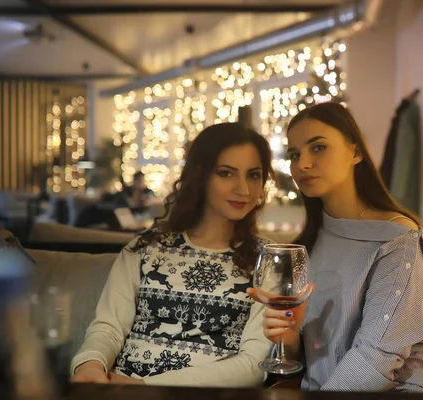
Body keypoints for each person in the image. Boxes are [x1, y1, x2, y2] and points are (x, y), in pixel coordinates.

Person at [248, 102, 423, 392]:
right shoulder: (312, 240)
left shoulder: (395, 237)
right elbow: (311, 355)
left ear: (355, 152)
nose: (302, 164)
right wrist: (291, 340)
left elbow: (379, 356)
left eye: (318, 147)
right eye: (294, 154)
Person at [71, 123, 275, 387]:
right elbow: (108, 327)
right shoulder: (147, 246)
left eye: (254, 175)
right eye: (226, 174)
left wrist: (143, 388)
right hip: (118, 387)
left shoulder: (268, 260)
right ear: (200, 176)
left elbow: (253, 366)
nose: (244, 190)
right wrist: (91, 365)